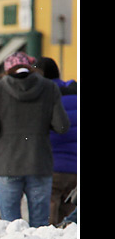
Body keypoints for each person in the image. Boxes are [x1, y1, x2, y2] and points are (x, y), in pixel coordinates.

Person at [0, 51, 69, 228]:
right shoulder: (49, 89)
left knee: (10, 225)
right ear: (30, 68)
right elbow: (62, 126)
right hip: (39, 162)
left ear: (7, 71)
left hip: (7, 164)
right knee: (40, 225)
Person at [35, 56, 77, 226]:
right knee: (69, 215)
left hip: (51, 165)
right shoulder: (76, 93)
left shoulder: (43, 96)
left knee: (49, 220)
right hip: (75, 166)